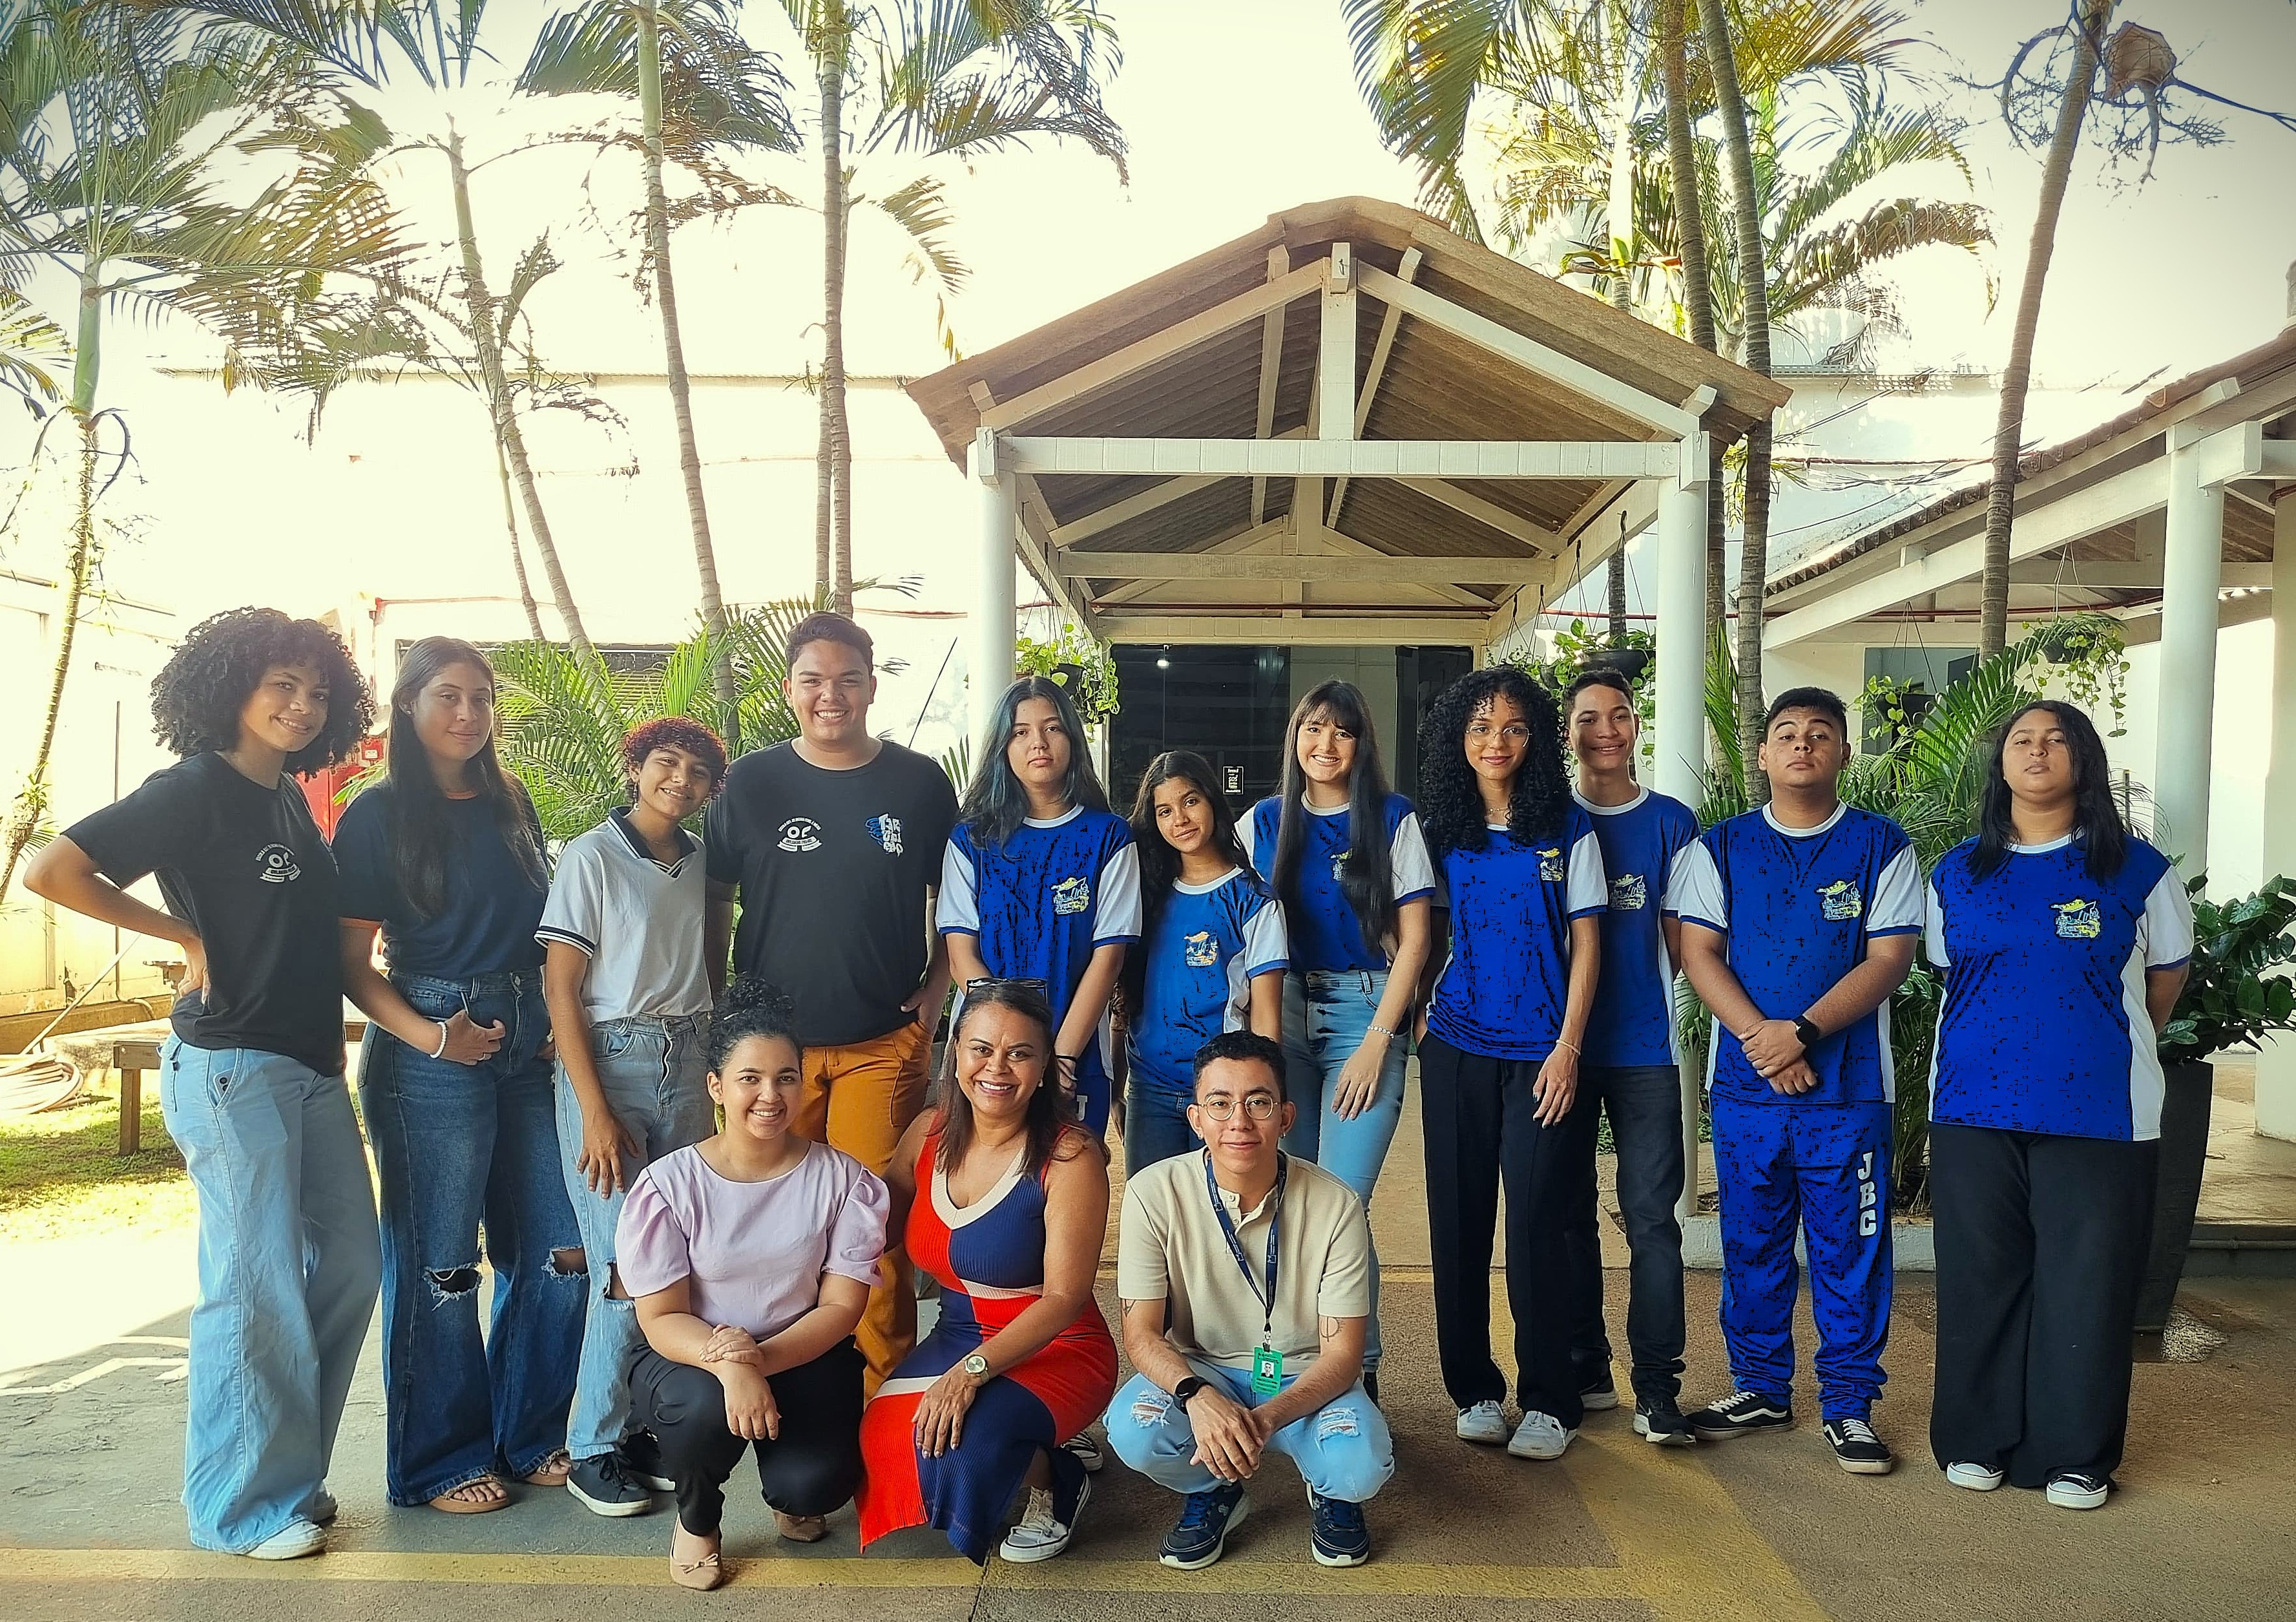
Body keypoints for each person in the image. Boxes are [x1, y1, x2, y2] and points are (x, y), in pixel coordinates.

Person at [25, 607, 381, 1559]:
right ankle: (239, 1505)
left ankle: (288, 1474)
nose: (303, 706)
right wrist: (181, 937)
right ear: (232, 689)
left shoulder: (281, 798)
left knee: (350, 1264)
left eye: (318, 691)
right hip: (232, 1063)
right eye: (283, 686)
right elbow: (52, 869)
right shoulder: (193, 788)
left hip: (308, 1064)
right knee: (254, 1286)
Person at [331, 637, 581, 1513]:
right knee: (442, 1266)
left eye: (481, 697)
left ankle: (532, 1430)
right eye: (449, 695)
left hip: (526, 1035)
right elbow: (352, 963)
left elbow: (546, 929)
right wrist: (435, 1038)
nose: (469, 714)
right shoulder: (377, 812)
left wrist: (554, 1021)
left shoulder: (510, 801)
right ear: (409, 704)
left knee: (557, 1251)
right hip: (430, 1039)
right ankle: (440, 1459)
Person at [1925, 701, 2192, 1511]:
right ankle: (1975, 1439)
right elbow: (1949, 977)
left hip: (2102, 1111)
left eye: (2056, 740)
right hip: (1973, 1106)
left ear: (2085, 760)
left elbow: (2163, 980)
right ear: (1998, 762)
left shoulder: (2138, 869)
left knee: (2087, 1282)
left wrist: (2094, 1042)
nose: (2037, 752)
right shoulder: (1954, 872)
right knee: (1980, 1279)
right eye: (2020, 740)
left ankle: (2074, 1454)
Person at [704, 611, 957, 1392]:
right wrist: (723, 1006)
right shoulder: (750, 781)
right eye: (813, 680)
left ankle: (882, 1405)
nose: (830, 695)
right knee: (766, 1223)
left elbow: (955, 894)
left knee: (870, 1228)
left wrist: (938, 989)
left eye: (847, 680)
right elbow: (715, 899)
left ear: (871, 687)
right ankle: (776, 1398)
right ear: (790, 689)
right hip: (768, 1052)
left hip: (882, 1039)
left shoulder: (917, 783)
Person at [1669, 687, 1919, 1475]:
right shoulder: (1719, 847)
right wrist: (1760, 1039)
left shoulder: (1884, 847)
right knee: (1752, 1244)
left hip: (1847, 1097)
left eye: (1819, 733)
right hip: (1747, 1093)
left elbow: (1888, 959)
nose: (1801, 745)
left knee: (1850, 1249)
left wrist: (1801, 1032)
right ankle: (1759, 1386)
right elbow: (1697, 952)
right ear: (1764, 754)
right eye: (1785, 733)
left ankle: (1847, 1404)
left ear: (1843, 751)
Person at [618, 978, 891, 1590]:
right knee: (702, 1409)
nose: (770, 1095)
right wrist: (732, 1368)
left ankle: (789, 1492)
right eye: (750, 1078)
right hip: (690, 1356)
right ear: (716, 1086)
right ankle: (698, 1522)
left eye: (786, 1077)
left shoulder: (843, 1180)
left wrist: (760, 1360)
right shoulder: (670, 1186)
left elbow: (843, 1307)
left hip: (802, 1351)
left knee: (816, 1486)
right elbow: (660, 1317)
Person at [1106, 1032, 1392, 1571]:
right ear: (1195, 1119)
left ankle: (1329, 1491)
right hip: (1205, 1371)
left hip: (1306, 1377)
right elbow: (1141, 1334)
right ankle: (1216, 1487)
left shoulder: (1337, 1205)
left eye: (1258, 1102)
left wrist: (1261, 1421)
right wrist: (1196, 1397)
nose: (1238, 1121)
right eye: (1219, 1104)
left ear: (1285, 1117)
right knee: (1134, 1430)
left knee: (1360, 1469)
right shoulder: (1152, 1192)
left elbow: (1343, 1356)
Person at [857, 981, 1118, 1564]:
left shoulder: (1070, 1156)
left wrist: (969, 1373)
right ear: (955, 1052)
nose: (997, 1068)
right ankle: (1028, 1434)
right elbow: (871, 1227)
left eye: (1020, 1053)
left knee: (963, 1446)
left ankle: (1058, 1477)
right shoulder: (928, 1131)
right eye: (981, 1049)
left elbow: (1065, 1299)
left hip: (1058, 1345)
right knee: (885, 1438)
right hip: (959, 1332)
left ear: (1046, 1063)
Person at [1414, 668, 1605, 1462]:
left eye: (1515, 727)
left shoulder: (1566, 827)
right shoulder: (1436, 829)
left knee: (1536, 1227)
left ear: (1537, 740)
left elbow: (1588, 944)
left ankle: (1550, 1398)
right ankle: (1474, 1388)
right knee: (1457, 1223)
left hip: (1542, 1053)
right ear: (1459, 737)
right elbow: (1410, 929)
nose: (1497, 742)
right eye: (1481, 726)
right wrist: (1422, 1003)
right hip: (1455, 1043)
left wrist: (1566, 1047)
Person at [539, 717, 728, 1516]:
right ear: (634, 767)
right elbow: (560, 990)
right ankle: (590, 1444)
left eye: (695, 772)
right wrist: (594, 1111)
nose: (678, 780)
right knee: (622, 1266)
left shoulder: (699, 862)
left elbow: (709, 960)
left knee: (678, 1257)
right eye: (665, 763)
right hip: (610, 1061)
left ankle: (643, 1424)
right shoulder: (591, 855)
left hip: (688, 1059)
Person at [1560, 669, 1702, 1447]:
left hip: (1645, 1050)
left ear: (1635, 726)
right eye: (1588, 718)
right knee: (1569, 1215)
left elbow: (1682, 949)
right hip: (1558, 1055)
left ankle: (1656, 1385)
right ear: (1569, 731)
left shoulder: (1672, 823)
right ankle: (1586, 1365)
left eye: (1618, 715)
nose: (1605, 730)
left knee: (1651, 1219)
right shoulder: (1548, 816)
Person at [940, 674, 1140, 1137]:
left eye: (1052, 728)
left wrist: (1059, 1056)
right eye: (1021, 732)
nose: (1038, 743)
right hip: (986, 1059)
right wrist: (1004, 1051)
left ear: (1072, 738)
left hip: (1077, 1055)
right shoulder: (971, 840)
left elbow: (1107, 960)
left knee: (1069, 1186)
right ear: (1002, 747)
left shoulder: (1108, 837)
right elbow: (960, 955)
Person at [1122, 750, 1288, 1171]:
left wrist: (1260, 1100)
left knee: (1218, 1221)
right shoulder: (1144, 893)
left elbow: (1267, 1017)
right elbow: (1124, 994)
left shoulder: (1254, 900)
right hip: (1150, 1086)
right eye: (1164, 810)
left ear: (1213, 800)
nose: (1179, 818)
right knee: (1154, 1217)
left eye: (1190, 801)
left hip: (1221, 1092)